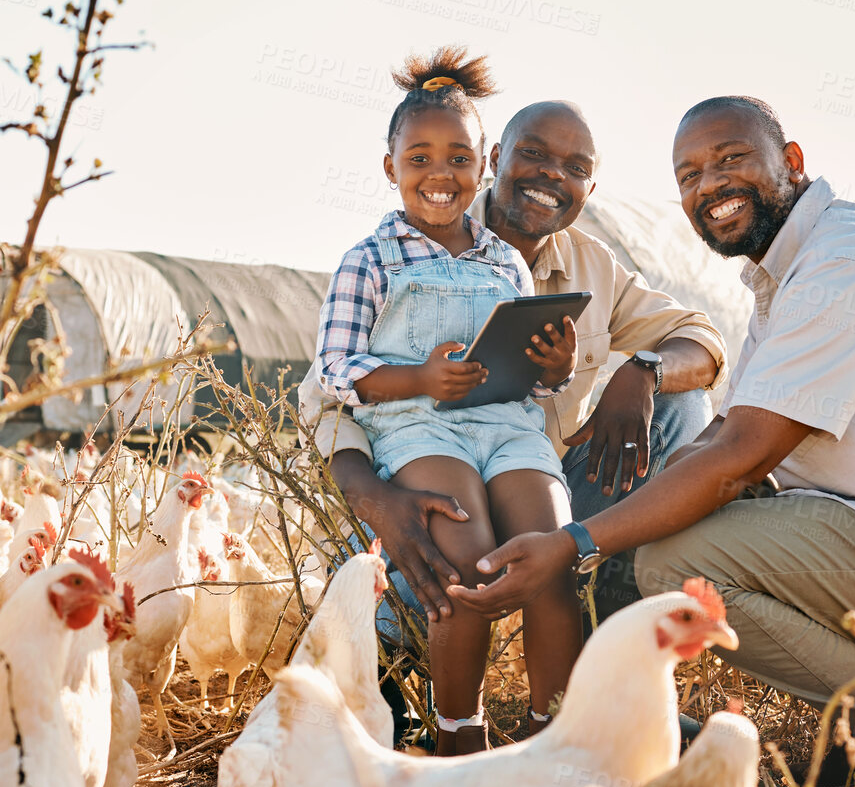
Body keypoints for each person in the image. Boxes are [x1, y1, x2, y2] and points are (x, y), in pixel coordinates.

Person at [449, 96, 855, 787]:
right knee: (655, 517)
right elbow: (720, 440)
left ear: (791, 162)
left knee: (672, 563)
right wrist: (598, 531)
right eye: (689, 174)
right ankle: (619, 724)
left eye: (731, 159)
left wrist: (575, 540)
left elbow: (739, 457)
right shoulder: (783, 277)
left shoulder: (847, 264)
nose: (709, 185)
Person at [303, 96, 729, 743]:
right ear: (497, 161)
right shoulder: (389, 250)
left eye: (573, 165)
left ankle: (576, 696)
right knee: (446, 571)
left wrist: (634, 371)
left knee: (677, 406)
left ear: (590, 184)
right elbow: (327, 393)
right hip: (413, 468)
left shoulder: (581, 266)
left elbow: (700, 339)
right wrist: (380, 500)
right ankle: (431, 708)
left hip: (521, 451)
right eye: (532, 154)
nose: (550, 175)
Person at [312, 47, 584, 756]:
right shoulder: (369, 259)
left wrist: (555, 365)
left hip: (507, 425)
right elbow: (337, 369)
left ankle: (552, 735)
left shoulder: (505, 260)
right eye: (420, 159)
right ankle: (458, 734)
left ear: (484, 164)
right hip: (419, 426)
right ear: (390, 167)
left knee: (554, 557)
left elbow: (530, 374)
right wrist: (419, 380)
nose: (440, 176)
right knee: (465, 560)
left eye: (458, 158)